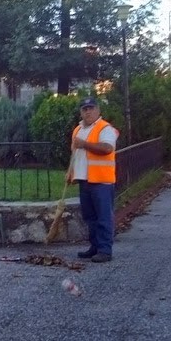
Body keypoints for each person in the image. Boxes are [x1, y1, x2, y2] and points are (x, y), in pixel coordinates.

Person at [66, 96, 118, 263]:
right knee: (90, 217)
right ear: (81, 112)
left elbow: (107, 148)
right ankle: (95, 247)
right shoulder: (78, 130)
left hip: (101, 180)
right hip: (84, 179)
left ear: (98, 110)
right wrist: (70, 172)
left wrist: (85, 144)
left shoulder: (105, 128)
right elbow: (75, 154)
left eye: (91, 108)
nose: (87, 111)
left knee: (103, 217)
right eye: (84, 109)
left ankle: (105, 250)